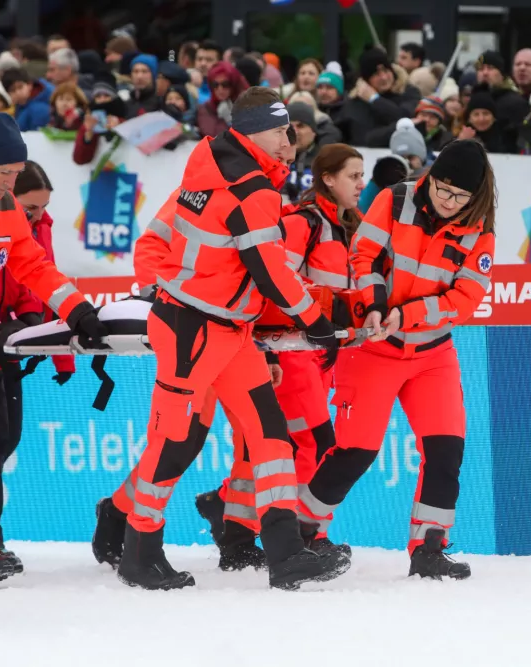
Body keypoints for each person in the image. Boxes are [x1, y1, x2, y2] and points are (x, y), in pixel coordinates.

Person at [107, 87, 351, 592]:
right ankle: (138, 549)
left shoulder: (209, 171)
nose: (291, 137)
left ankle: (286, 555)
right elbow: (269, 271)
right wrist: (315, 320)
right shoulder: (252, 189)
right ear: (258, 131)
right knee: (173, 443)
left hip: (227, 329)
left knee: (269, 435)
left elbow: (189, 243)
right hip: (192, 328)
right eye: (283, 129)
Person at [296, 140, 496, 580]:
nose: (446, 200)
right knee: (355, 452)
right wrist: (376, 302)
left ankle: (429, 547)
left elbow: (466, 299)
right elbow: (362, 254)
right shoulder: (397, 198)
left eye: (458, 196)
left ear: (475, 195)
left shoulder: (480, 230)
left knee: (445, 450)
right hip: (373, 347)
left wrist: (408, 315)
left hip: (432, 353)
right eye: (441, 188)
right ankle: (302, 533)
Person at [0, 114, 106, 585]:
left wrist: (77, 310)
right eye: (5, 173)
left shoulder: (5, 206)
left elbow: (33, 264)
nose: (12, 182)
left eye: (18, 172)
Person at [197, 144, 365, 568]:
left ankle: (232, 524)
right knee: (313, 443)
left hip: (315, 353)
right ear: (327, 179)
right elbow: (273, 281)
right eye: (353, 176)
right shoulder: (303, 223)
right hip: (288, 351)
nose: (361, 184)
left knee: (270, 447)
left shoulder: (343, 227)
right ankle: (309, 534)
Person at [0, 161, 72, 567]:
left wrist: (32, 316)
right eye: (30, 208)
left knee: (5, 440)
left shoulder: (40, 225)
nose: (35, 216)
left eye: (41, 209)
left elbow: (38, 274)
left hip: (8, 343)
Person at [196, 61, 247, 137]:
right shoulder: (207, 108)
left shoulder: (247, 103)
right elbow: (212, 134)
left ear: (233, 84)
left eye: (225, 84)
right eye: (215, 85)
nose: (220, 89)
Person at [1, 67, 53, 132]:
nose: (17, 93)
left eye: (20, 87)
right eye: (12, 90)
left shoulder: (39, 108)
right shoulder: (21, 105)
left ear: (29, 85)